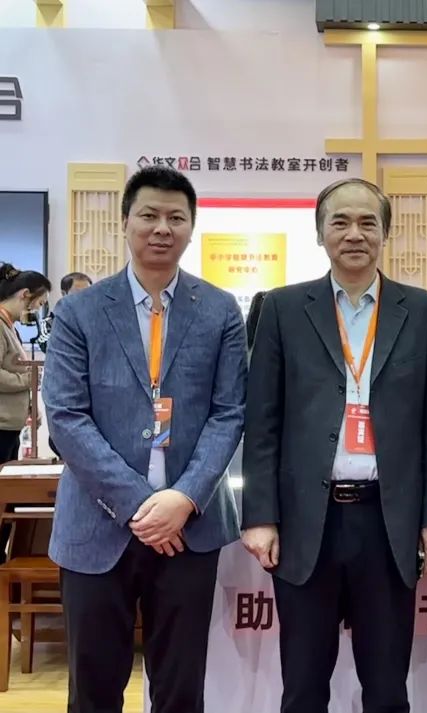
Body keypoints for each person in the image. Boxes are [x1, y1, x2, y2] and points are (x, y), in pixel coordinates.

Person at [242, 178, 427, 713]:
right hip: (306, 522)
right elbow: (263, 421)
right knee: (303, 687)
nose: (354, 234)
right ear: (320, 233)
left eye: (368, 222)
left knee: (386, 688)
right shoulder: (283, 308)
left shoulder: (424, 311)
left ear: (385, 233)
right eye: (340, 222)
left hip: (388, 523)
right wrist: (260, 515)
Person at [43, 166, 247, 713]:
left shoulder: (220, 310)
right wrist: (139, 504)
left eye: (176, 217)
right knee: (93, 690)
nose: (162, 228)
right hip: (96, 526)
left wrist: (182, 499)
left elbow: (229, 413)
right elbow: (65, 416)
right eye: (149, 215)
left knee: (181, 689)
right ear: (125, 221)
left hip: (189, 528)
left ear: (191, 227)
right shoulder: (79, 311)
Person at [0, 265, 50, 462]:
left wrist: (30, 404)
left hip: (10, 424)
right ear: (25, 295)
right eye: (39, 303)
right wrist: (29, 379)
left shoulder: (10, 327)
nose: (37, 311)